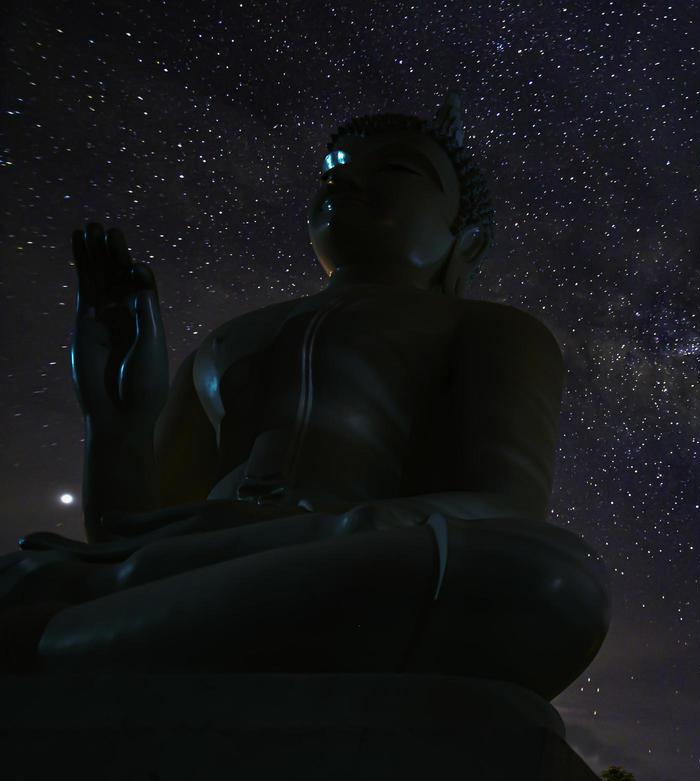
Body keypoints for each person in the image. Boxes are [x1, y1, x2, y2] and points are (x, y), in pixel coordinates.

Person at [0, 95, 609, 695]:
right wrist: (116, 421)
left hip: (337, 561)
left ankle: (61, 641)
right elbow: (118, 531)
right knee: (31, 572)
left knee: (551, 580)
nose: (346, 180)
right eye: (335, 168)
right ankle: (90, 634)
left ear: (465, 242)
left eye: (395, 169)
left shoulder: (491, 329)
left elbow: (505, 508)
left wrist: (317, 533)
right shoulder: (225, 343)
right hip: (210, 564)